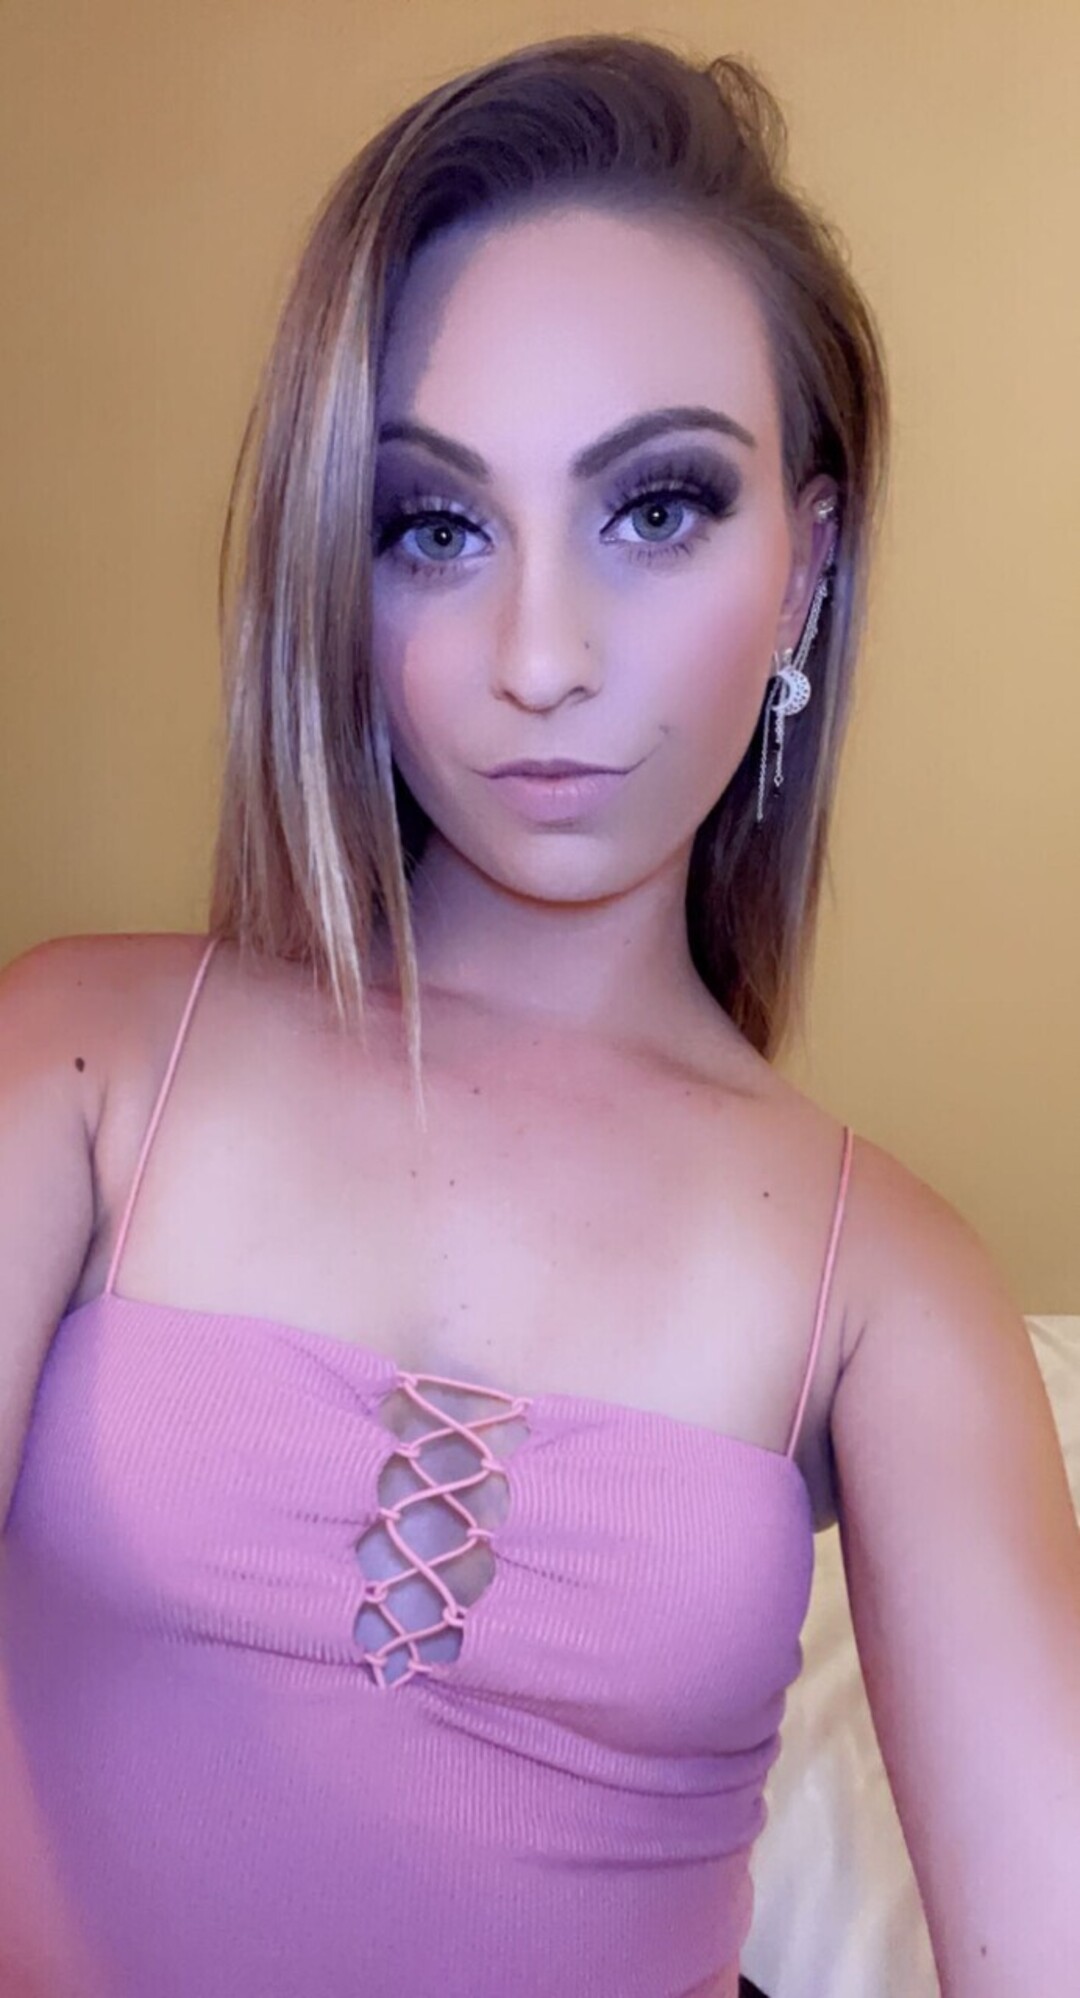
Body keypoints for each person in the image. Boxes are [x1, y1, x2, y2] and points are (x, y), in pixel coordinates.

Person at [1, 29, 1077, 1998]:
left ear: (809, 565)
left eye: (655, 508)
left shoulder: (892, 1286)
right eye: (439, 523)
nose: (542, 655)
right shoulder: (78, 1060)